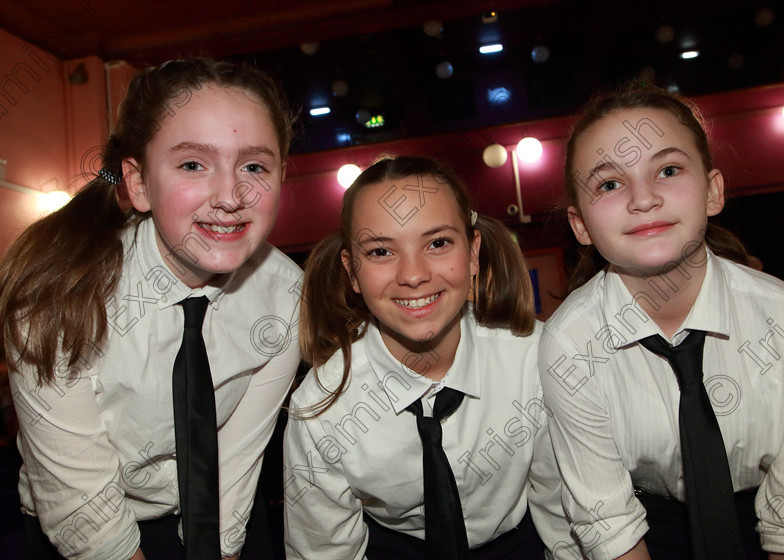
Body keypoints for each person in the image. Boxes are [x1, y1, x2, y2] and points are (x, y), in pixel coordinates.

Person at [0, 58, 302, 559]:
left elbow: (237, 457)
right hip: (82, 528)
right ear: (138, 183)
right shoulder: (57, 295)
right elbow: (83, 504)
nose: (230, 195)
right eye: (192, 164)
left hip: (213, 514)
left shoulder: (287, 295)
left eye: (254, 166)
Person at [539, 83, 784, 560]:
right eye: (610, 183)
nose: (644, 198)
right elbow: (607, 524)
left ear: (713, 191)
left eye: (669, 169)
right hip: (645, 533)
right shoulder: (571, 343)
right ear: (580, 225)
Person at [283, 156, 578, 559]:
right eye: (381, 251)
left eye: (438, 243)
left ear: (473, 253)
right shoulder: (321, 407)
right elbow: (324, 551)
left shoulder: (533, 360)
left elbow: (563, 515)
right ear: (352, 271)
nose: (414, 274)